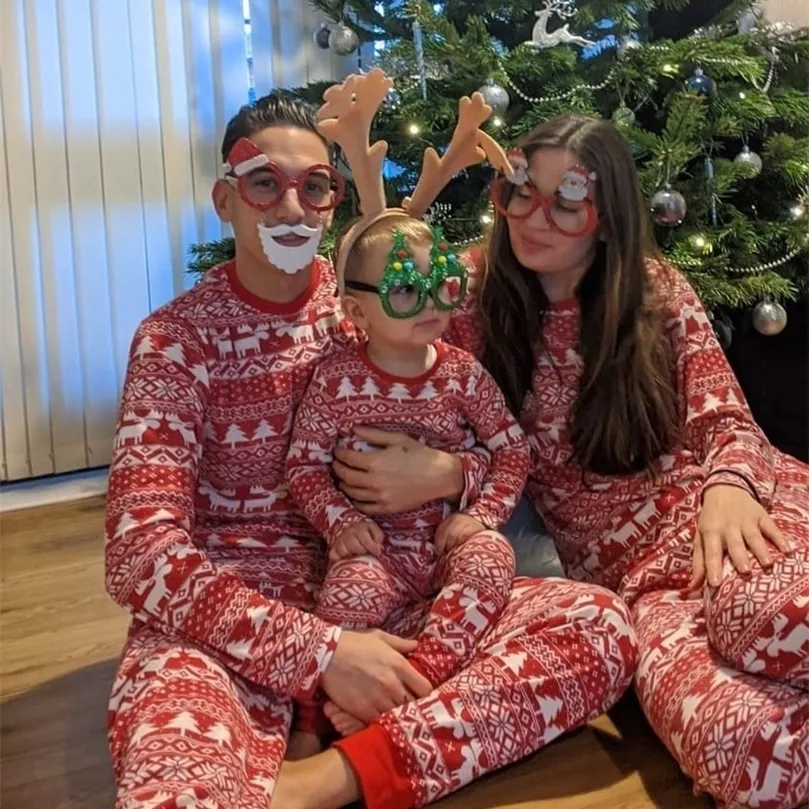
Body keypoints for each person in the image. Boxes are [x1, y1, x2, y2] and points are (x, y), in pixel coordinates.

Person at [104, 86, 638, 809]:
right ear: (225, 200)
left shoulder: (386, 295)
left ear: (332, 203)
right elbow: (138, 553)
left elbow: (491, 417)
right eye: (264, 183)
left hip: (399, 589)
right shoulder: (175, 342)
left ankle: (332, 777)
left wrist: (452, 474)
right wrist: (319, 653)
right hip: (231, 626)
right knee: (175, 789)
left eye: (314, 186)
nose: (292, 207)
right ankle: (351, 737)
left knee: (599, 627)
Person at [332, 112, 808, 808]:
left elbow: (726, 419)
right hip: (640, 590)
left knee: (760, 618)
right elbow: (358, 317)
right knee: (748, 754)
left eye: (566, 201)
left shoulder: (653, 290)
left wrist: (730, 487)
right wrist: (457, 474)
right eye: (520, 192)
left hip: (737, 518)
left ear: (607, 219)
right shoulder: (462, 295)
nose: (534, 217)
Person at [285, 214, 530, 753]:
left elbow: (512, 450)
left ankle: (420, 680)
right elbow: (303, 466)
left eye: (440, 284)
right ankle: (311, 721)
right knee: (349, 591)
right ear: (357, 311)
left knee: (494, 556)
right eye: (403, 290)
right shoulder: (336, 380)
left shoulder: (463, 374)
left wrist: (481, 515)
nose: (430, 304)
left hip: (446, 543)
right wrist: (341, 522)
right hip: (376, 552)